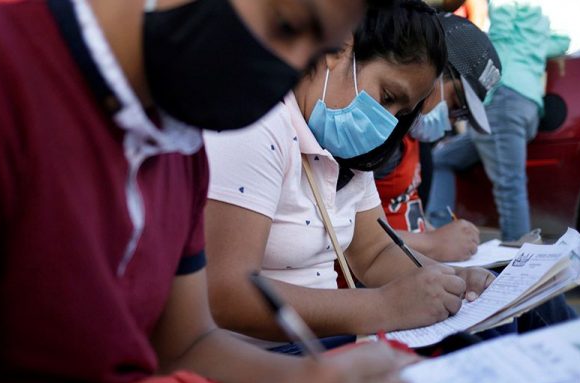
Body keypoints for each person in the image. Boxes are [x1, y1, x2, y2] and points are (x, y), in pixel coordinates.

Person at [0, 0, 418, 383]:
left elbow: (184, 342)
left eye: (313, 53)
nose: (283, 68)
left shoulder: (178, 137)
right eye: (285, 23)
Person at [204, 1, 498, 350]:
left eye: (400, 112)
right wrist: (383, 306)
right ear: (340, 47)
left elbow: (373, 252)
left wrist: (452, 281)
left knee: (497, 333)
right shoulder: (257, 125)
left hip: (325, 347)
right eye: (387, 96)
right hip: (263, 358)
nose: (386, 122)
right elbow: (228, 294)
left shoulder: (347, 147)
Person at [426, 0, 570, 242]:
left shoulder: (507, 5)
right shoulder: (538, 21)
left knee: (510, 185)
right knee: (443, 158)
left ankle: (518, 266)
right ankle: (438, 229)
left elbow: (497, 41)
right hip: (530, 106)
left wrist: (481, 97)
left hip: (503, 101)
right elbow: (562, 42)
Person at [373, 13, 499, 262]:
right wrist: (432, 243)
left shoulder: (411, 139)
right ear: (432, 71)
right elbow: (347, 233)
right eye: (456, 103)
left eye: (462, 116)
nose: (452, 119)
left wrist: (439, 234)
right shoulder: (375, 136)